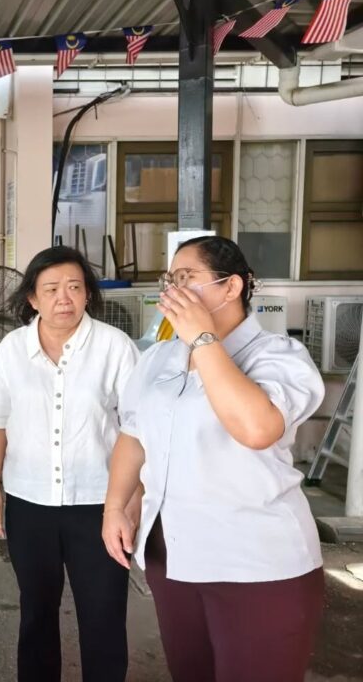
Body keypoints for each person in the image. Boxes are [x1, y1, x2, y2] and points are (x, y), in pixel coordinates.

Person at [102, 235, 326, 682]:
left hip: (257, 564)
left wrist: (203, 339)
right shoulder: (159, 358)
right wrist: (115, 506)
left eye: (187, 279)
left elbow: (256, 428)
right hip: (174, 558)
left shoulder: (279, 357)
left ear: (232, 287)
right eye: (170, 280)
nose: (173, 291)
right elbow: (133, 432)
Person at [0, 246, 139, 682]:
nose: (63, 298)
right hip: (30, 503)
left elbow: (138, 429)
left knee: (103, 615)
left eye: (74, 287)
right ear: (32, 298)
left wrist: (132, 500)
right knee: (36, 611)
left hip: (99, 504)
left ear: (88, 295)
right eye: (51, 289)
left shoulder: (114, 347)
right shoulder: (12, 349)